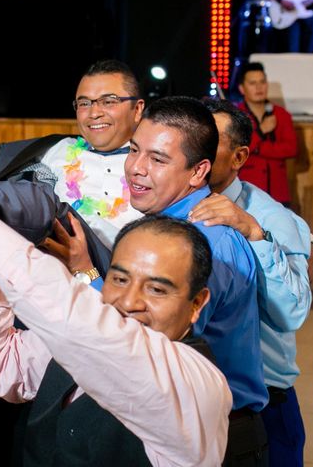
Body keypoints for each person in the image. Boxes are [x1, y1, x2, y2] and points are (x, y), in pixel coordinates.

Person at [0, 166, 231, 466]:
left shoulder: (198, 383)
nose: (130, 302)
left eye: (156, 289)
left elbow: (90, 332)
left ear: (196, 304)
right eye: (119, 279)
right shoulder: (78, 341)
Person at [124, 96, 269, 465]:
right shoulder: (169, 225)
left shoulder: (204, 239)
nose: (135, 168)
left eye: (157, 159)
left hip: (215, 440)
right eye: (133, 150)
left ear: (197, 172)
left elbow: (142, 344)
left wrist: (82, 273)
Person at [189, 99, 311, 467]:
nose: (195, 149)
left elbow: (291, 313)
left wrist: (254, 234)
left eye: (209, 141)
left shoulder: (270, 217)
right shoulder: (171, 206)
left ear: (239, 157)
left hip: (262, 405)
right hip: (194, 398)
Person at [0, 59, 145, 249]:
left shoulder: (155, 162)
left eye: (108, 101)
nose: (94, 113)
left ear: (137, 109)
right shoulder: (57, 150)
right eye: (84, 103)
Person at [236, 62, 298, 205]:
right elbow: (236, 150)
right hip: (247, 191)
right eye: (252, 83)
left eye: (262, 82)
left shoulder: (281, 115)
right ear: (242, 88)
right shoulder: (236, 115)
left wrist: (257, 148)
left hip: (278, 192)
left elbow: (291, 149)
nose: (259, 87)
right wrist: (261, 131)